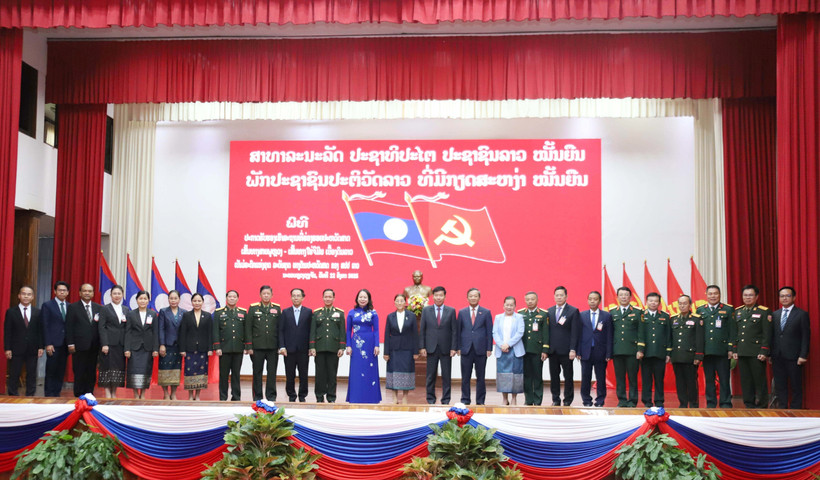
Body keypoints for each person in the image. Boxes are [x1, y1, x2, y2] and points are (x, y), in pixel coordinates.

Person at [695, 285, 735, 408]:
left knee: (724, 379)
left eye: (715, 293)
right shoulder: (700, 310)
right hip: (707, 351)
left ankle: (725, 403)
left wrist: (730, 348)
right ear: (706, 294)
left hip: (722, 351)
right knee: (709, 379)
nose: (713, 296)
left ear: (720, 295)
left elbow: (732, 330)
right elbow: (698, 332)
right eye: (710, 293)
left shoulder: (728, 310)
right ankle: (711, 403)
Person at [771, 286, 810, 409]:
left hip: (794, 356)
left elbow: (806, 336)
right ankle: (782, 407)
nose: (784, 298)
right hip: (777, 356)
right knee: (780, 385)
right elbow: (772, 336)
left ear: (794, 297)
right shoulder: (775, 314)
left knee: (795, 385)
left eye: (787, 296)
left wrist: (803, 355)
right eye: (782, 296)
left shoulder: (801, 314)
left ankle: (796, 409)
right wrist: (770, 354)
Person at [419, 286, 458, 405]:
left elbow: (454, 331)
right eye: (436, 295)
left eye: (441, 295)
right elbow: (423, 330)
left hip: (446, 348)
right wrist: (422, 347)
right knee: (430, 376)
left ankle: (446, 400)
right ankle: (430, 399)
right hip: (431, 347)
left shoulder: (451, 311)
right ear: (433, 297)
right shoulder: (426, 310)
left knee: (446, 376)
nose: (438, 297)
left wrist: (453, 347)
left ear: (445, 297)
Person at [734, 284, 771, 408]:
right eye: (745, 295)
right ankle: (748, 403)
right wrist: (735, 349)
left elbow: (767, 334)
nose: (747, 298)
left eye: (750, 295)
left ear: (756, 297)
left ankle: (762, 404)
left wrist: (764, 351)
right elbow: (736, 333)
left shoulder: (763, 311)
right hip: (742, 351)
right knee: (746, 380)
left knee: (759, 380)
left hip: (757, 352)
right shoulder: (738, 311)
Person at [65, 283, 103, 397]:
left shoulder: (98, 308)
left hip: (94, 346)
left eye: (90, 291)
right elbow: (69, 327)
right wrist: (70, 343)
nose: (87, 293)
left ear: (93, 293)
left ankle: (89, 394)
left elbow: (100, 327)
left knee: (91, 372)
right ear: (80, 293)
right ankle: (78, 394)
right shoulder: (73, 307)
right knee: (79, 371)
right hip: (79, 345)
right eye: (85, 291)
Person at [457, 288, 493, 405]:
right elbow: (458, 331)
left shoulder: (486, 312)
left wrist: (489, 348)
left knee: (480, 377)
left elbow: (489, 331)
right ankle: (465, 399)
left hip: (481, 350)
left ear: (479, 298)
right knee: (465, 377)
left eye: (475, 296)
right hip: (466, 349)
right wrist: (458, 347)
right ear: (467, 298)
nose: (473, 298)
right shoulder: (462, 312)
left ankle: (480, 400)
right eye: (470, 296)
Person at [4, 286, 42, 396]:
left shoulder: (37, 312)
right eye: (24, 294)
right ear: (19, 296)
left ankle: (30, 396)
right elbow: (7, 331)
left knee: (31, 374)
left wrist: (41, 346)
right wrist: (7, 348)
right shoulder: (11, 312)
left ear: (33, 297)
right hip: (16, 348)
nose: (26, 296)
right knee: (14, 373)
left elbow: (40, 331)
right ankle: (12, 395)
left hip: (33, 348)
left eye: (29, 294)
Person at [246, 285, 281, 402]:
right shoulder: (253, 308)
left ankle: (271, 396)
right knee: (257, 372)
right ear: (260, 295)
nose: (266, 295)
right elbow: (248, 328)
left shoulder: (277, 308)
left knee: (272, 372)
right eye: (264, 294)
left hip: (273, 346)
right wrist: (249, 346)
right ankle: (257, 396)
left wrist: (280, 346)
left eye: (268, 294)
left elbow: (280, 328)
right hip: (257, 347)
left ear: (272, 295)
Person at [309, 288, 345, 403]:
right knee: (320, 374)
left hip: (333, 348)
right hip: (319, 348)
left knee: (332, 373)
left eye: (330, 297)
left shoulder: (340, 313)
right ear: (322, 298)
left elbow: (342, 332)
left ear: (334, 298)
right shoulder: (317, 313)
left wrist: (342, 347)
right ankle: (319, 396)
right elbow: (313, 331)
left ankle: (331, 397)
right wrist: (312, 347)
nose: (328, 298)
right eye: (326, 296)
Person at [346, 289, 381, 403]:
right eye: (360, 297)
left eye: (365, 297)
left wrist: (377, 345)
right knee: (356, 370)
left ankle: (371, 397)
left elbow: (376, 330)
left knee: (370, 370)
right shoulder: (351, 312)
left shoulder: (373, 313)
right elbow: (348, 331)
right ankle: (355, 397)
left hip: (370, 345)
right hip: (356, 344)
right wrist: (348, 345)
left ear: (369, 299)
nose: (362, 299)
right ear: (357, 298)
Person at [578, 291, 612, 407]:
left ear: (599, 301)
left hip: (600, 352)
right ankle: (586, 400)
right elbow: (578, 335)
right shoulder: (582, 315)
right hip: (585, 352)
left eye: (595, 299)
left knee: (601, 378)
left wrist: (608, 353)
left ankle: (600, 401)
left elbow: (609, 335)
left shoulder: (606, 316)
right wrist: (578, 351)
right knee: (585, 377)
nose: (592, 301)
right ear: (587, 300)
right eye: (590, 299)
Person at [609, 286, 642, 407]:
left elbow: (641, 332)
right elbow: (610, 332)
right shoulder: (612, 312)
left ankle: (632, 401)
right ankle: (622, 400)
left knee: (633, 377)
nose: (623, 297)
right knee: (620, 377)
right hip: (617, 350)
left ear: (630, 297)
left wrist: (640, 349)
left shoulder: (637, 312)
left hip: (632, 350)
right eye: (621, 295)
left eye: (626, 295)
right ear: (617, 297)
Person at [547, 286, 580, 406]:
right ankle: (555, 399)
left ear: (566, 296)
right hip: (553, 351)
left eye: (561, 295)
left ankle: (567, 400)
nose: (559, 297)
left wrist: (573, 349)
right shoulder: (549, 311)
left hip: (567, 351)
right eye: (557, 295)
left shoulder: (573, 311)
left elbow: (575, 332)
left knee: (568, 377)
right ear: (554, 296)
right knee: (554, 377)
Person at [384, 293, 419, 404]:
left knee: (406, 373)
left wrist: (415, 351)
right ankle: (394, 397)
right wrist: (386, 352)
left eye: (402, 301)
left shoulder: (411, 316)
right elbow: (386, 335)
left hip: (407, 349)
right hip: (393, 350)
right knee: (393, 373)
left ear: (405, 303)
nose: (399, 303)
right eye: (397, 301)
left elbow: (415, 335)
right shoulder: (390, 316)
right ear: (394, 303)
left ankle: (404, 397)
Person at [213, 290, 247, 402]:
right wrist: (217, 347)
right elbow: (216, 331)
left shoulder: (242, 312)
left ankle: (236, 397)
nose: (232, 298)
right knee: (224, 375)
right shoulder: (219, 313)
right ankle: (223, 397)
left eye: (234, 297)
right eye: (230, 296)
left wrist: (246, 346)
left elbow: (245, 331)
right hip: (224, 349)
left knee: (236, 374)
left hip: (238, 348)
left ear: (237, 299)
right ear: (226, 298)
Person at [637, 292, 670, 407]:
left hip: (660, 353)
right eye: (651, 301)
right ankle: (647, 401)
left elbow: (668, 335)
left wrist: (668, 352)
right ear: (646, 302)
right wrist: (639, 350)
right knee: (646, 379)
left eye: (655, 301)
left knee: (659, 379)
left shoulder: (665, 316)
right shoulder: (642, 315)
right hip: (646, 353)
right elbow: (639, 334)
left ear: (659, 303)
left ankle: (659, 401)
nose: (653, 303)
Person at [670, 295, 703, 408]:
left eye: (685, 303)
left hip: (690, 357)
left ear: (690, 305)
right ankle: (682, 403)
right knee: (680, 382)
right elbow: (671, 338)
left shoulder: (696, 319)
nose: (682, 305)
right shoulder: (673, 319)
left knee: (691, 382)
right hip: (677, 356)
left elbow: (699, 339)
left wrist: (698, 356)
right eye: (680, 303)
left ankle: (693, 404)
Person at [279, 288, 312, 402]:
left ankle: (302, 396)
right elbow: (281, 331)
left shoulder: (308, 312)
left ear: (303, 297)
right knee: (290, 374)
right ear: (291, 297)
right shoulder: (285, 312)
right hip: (289, 350)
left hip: (304, 349)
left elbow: (311, 331)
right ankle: (291, 395)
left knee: (303, 374)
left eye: (298, 295)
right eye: (294, 295)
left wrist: (311, 347)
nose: (296, 298)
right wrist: (282, 346)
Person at [124, 290, 158, 399]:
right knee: (134, 370)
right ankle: (135, 394)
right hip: (134, 347)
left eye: (145, 299)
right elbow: (128, 332)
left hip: (147, 348)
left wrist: (155, 349)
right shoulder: (131, 314)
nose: (143, 301)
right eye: (140, 299)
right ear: (137, 300)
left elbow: (155, 332)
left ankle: (142, 394)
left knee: (145, 371)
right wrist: (127, 349)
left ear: (148, 300)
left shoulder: (152, 314)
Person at [179, 293, 213, 400]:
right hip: (190, 348)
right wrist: (182, 349)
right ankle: (190, 395)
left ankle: (197, 395)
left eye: (199, 301)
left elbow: (210, 334)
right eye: (195, 301)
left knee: (201, 372)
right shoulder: (186, 315)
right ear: (191, 302)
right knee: (189, 371)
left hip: (203, 349)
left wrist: (210, 349)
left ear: (202, 302)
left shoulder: (207, 315)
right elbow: (182, 333)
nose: (197, 303)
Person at [98, 284, 129, 398]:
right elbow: (102, 327)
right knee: (107, 367)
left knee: (118, 368)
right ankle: (107, 392)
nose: (117, 296)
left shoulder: (125, 309)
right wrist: (104, 343)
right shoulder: (105, 309)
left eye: (119, 293)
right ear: (110, 295)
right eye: (114, 293)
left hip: (120, 344)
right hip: (109, 344)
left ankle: (114, 392)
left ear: (122, 295)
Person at [493, 296, 525, 405]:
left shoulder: (520, 317)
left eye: (511, 305)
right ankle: (504, 398)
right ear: (503, 306)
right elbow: (495, 333)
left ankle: (514, 398)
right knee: (503, 375)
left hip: (515, 350)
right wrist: (502, 344)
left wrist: (508, 344)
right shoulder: (498, 318)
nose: (509, 307)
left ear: (515, 306)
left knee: (515, 374)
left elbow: (520, 333)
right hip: (502, 350)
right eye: (507, 305)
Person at [518, 291, 549, 406]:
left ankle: (537, 399)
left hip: (537, 350)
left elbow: (546, 333)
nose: (530, 301)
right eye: (528, 299)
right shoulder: (521, 313)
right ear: (525, 300)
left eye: (532, 299)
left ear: (537, 300)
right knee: (526, 376)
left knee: (537, 375)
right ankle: (528, 399)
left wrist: (545, 350)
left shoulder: (543, 314)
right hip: (524, 350)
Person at [42, 281, 70, 397]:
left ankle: (57, 393)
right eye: (59, 290)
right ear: (55, 291)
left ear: (67, 292)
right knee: (51, 370)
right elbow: (45, 325)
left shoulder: (70, 306)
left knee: (60, 371)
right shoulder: (48, 305)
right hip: (53, 344)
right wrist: (48, 343)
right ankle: (49, 394)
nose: (62, 292)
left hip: (65, 344)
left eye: (64, 290)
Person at [158, 290, 185, 399]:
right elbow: (161, 328)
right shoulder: (163, 311)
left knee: (176, 370)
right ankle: (165, 393)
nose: (173, 300)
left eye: (175, 298)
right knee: (164, 370)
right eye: (171, 298)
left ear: (179, 299)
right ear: (168, 299)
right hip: (167, 345)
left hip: (178, 346)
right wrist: (162, 344)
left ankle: (173, 393)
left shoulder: (184, 312)